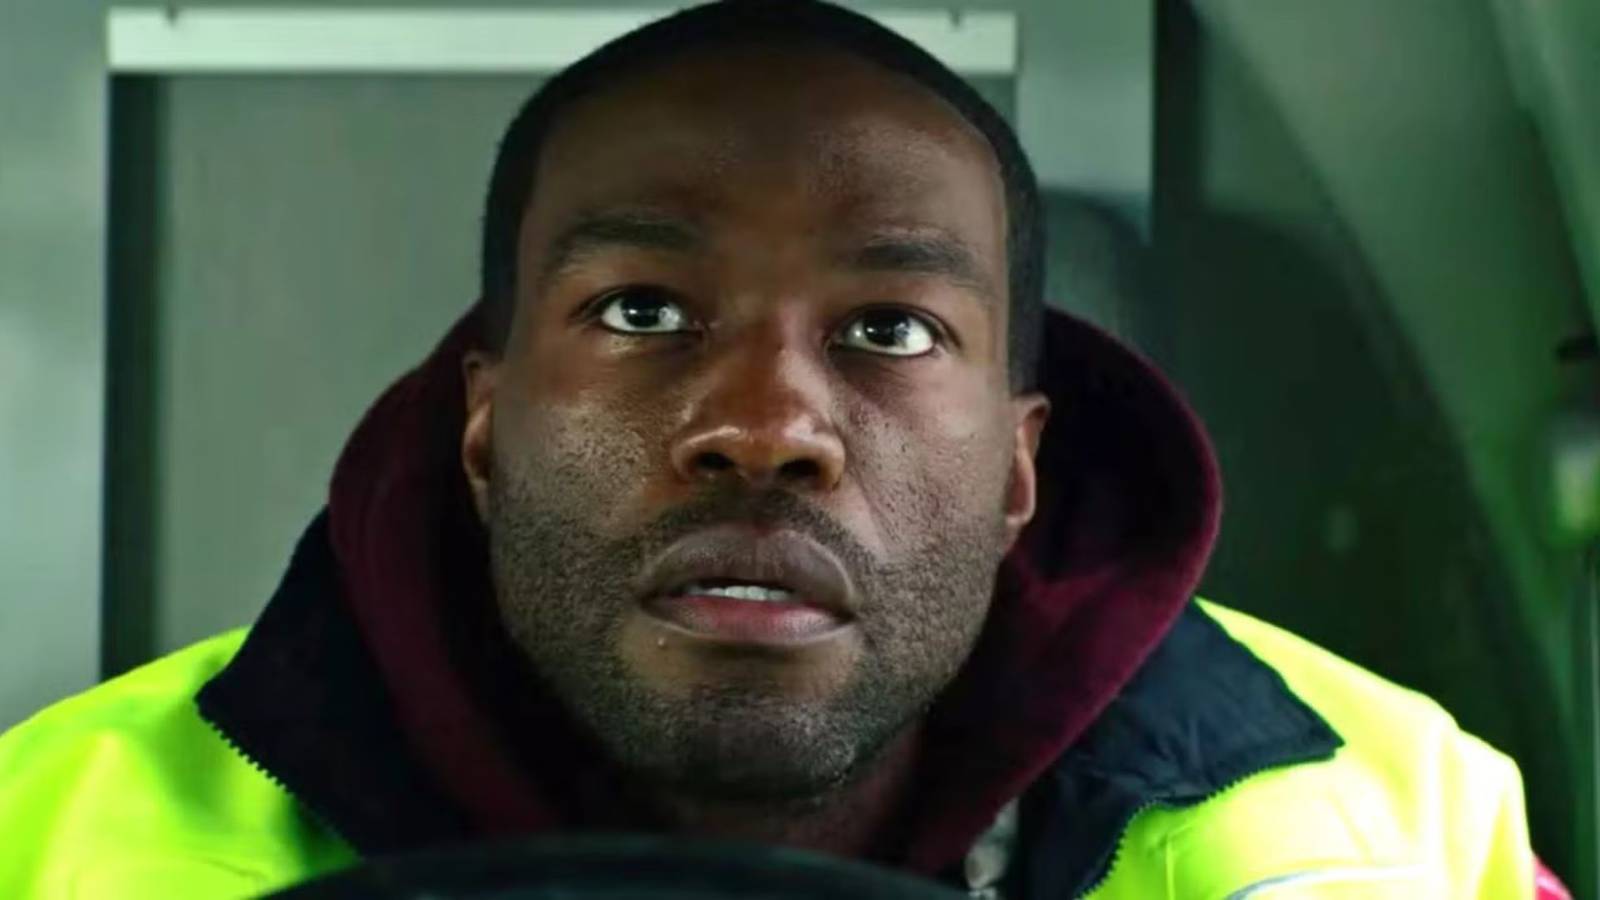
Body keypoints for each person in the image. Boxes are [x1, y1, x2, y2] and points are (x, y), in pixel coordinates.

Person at [0, 2, 1571, 897]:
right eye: (641, 310)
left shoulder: (1407, 826)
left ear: (1020, 470)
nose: (763, 430)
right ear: (483, 427)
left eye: (890, 328)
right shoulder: (43, 830)